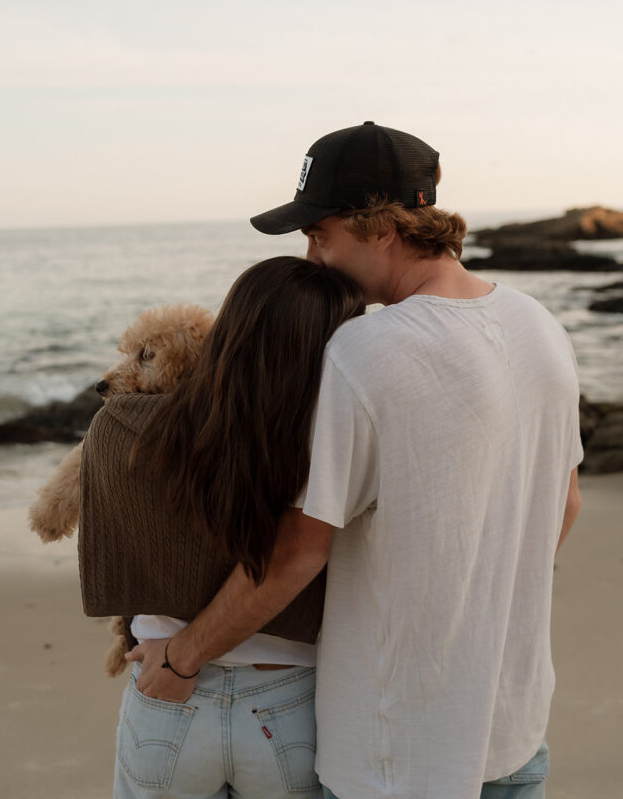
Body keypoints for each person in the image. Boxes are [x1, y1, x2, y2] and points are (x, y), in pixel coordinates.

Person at [128, 122, 583, 799]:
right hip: (513, 732)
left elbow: (297, 554)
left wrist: (181, 656)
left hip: (398, 754)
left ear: (380, 226)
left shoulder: (368, 351)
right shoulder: (539, 326)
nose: (311, 258)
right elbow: (564, 504)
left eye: (319, 233)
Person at [77, 255, 365, 799]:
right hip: (294, 695)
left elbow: (112, 545)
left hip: (165, 684)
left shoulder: (119, 428)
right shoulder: (331, 434)